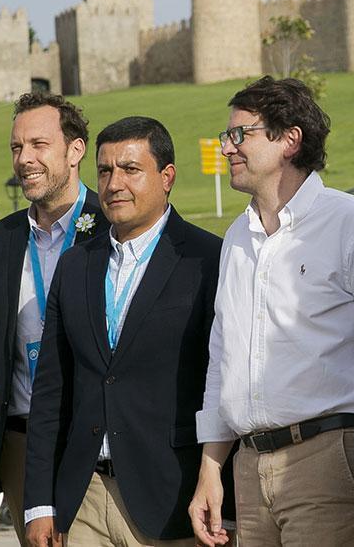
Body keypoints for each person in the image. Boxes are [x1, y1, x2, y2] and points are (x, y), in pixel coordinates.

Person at [190, 76, 354, 547]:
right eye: (226, 136)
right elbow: (222, 359)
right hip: (249, 468)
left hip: (328, 461)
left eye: (241, 134)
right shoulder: (236, 237)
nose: (227, 148)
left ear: (290, 140)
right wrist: (210, 468)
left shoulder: (353, 223)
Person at [24, 116, 228, 547]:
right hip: (84, 499)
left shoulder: (208, 259)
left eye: (130, 169)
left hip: (170, 499)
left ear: (167, 177)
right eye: (105, 170)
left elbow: (223, 381)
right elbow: (51, 391)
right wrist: (40, 503)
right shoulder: (76, 264)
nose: (114, 183)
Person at [0, 92, 106, 547]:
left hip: (95, 442)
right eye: (17, 147)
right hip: (23, 440)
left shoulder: (111, 224)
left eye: (38, 145)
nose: (24, 159)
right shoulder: (0, 239)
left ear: (75, 150)